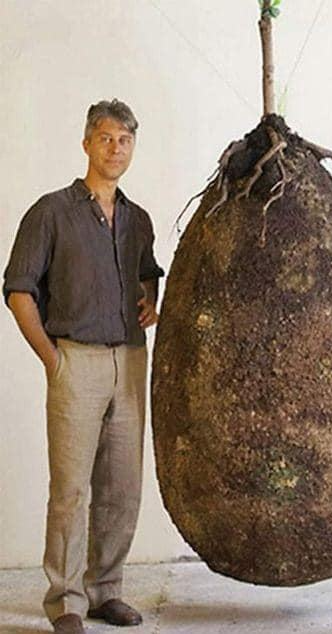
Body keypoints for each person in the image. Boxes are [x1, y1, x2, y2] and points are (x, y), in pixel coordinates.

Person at [3, 99, 164, 634]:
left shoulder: (137, 219)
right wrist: (53, 359)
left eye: (125, 140)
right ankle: (67, 601)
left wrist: (149, 299)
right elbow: (19, 290)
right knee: (71, 490)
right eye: (106, 137)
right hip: (76, 360)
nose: (115, 148)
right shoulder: (51, 211)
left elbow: (148, 275)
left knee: (123, 487)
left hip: (130, 359)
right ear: (86, 143)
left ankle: (105, 590)